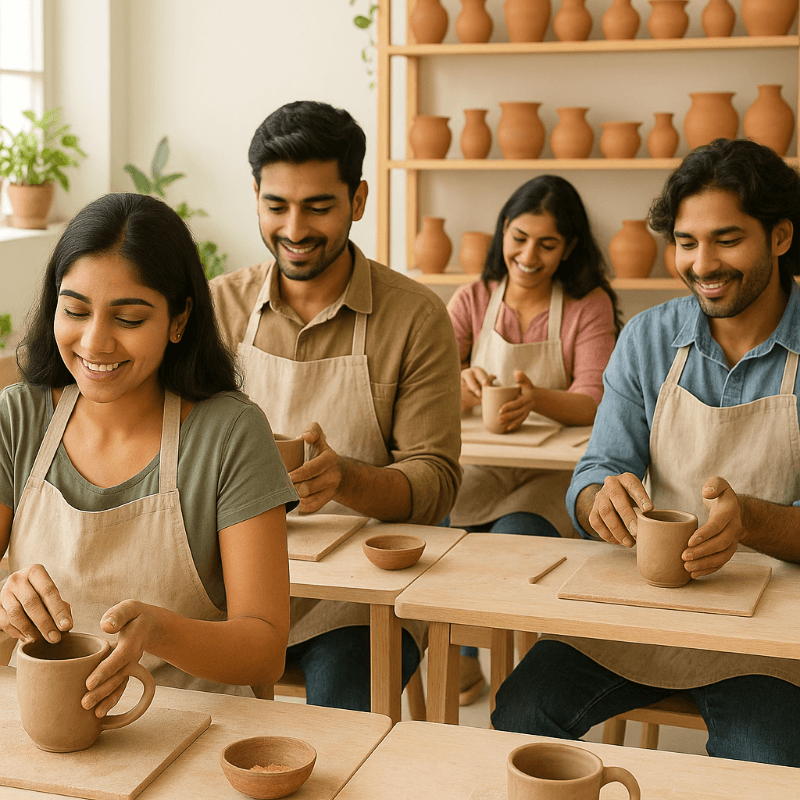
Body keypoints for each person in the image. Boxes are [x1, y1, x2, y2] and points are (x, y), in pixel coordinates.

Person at [491, 138, 800, 768]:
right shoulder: (648, 338)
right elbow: (597, 470)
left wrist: (751, 521)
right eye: (686, 242)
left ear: (781, 236)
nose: (702, 264)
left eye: (727, 240)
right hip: (646, 606)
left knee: (765, 760)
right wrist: (598, 502)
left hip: (770, 630)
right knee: (520, 714)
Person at [0, 193, 297, 714]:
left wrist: (162, 632)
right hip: (41, 727)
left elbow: (266, 650)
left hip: (195, 728)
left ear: (179, 320)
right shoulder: (17, 419)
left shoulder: (230, 434)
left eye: (129, 319)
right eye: (75, 311)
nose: (95, 343)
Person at [210, 100, 462, 711]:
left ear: (359, 199)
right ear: (255, 196)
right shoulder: (219, 307)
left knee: (340, 721)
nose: (294, 229)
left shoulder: (415, 317)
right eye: (277, 206)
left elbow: (436, 483)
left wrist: (346, 479)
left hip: (359, 602)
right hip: (232, 583)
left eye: (318, 207)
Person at [447, 175, 621, 704]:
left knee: (516, 535)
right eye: (519, 238)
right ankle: (462, 653)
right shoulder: (474, 299)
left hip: (553, 474)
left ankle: (522, 671)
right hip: (484, 465)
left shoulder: (587, 304)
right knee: (445, 528)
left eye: (547, 244)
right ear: (503, 230)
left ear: (569, 246)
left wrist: (536, 398)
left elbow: (594, 399)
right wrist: (461, 385)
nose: (528, 256)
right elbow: (426, 384)